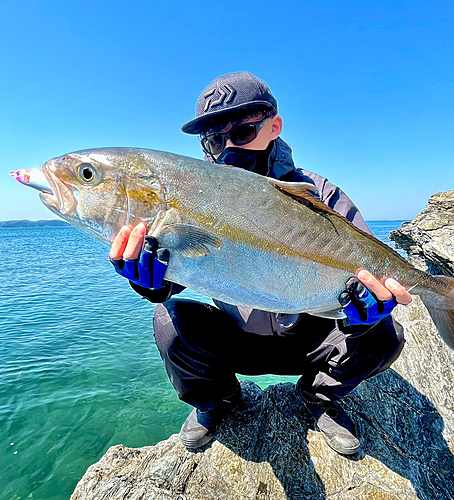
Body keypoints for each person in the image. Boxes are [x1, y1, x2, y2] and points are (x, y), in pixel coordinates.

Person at [109, 71, 412, 455]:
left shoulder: (321, 194)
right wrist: (150, 281)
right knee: (168, 321)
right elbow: (179, 274)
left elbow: (370, 268)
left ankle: (318, 395)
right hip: (241, 341)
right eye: (215, 139)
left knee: (384, 335)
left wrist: (364, 312)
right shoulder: (196, 199)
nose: (227, 150)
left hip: (311, 339)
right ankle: (217, 400)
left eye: (242, 132)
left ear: (274, 126)